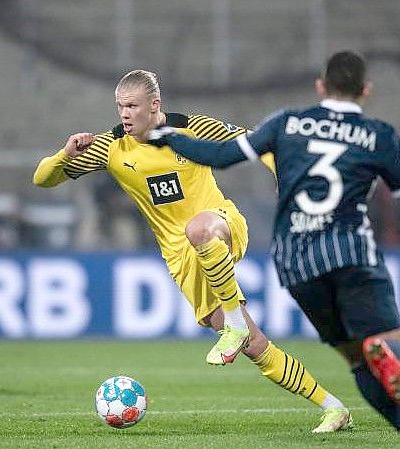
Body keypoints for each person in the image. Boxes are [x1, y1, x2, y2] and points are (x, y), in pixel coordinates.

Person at [148, 51, 400, 449]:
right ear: (366, 90)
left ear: (319, 86)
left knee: (356, 362)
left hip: (298, 263)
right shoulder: (378, 134)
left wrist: (168, 137)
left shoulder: (286, 122)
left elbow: (222, 156)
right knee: (389, 346)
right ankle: (391, 357)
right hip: (351, 252)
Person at [33, 69, 353, 433]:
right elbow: (42, 179)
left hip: (221, 225)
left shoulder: (194, 128)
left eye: (132, 106)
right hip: (182, 260)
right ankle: (334, 408)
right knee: (255, 345)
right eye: (120, 106)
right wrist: (63, 154)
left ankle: (233, 325)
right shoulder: (112, 148)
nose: (124, 114)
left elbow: (258, 145)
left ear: (154, 105)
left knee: (198, 229)